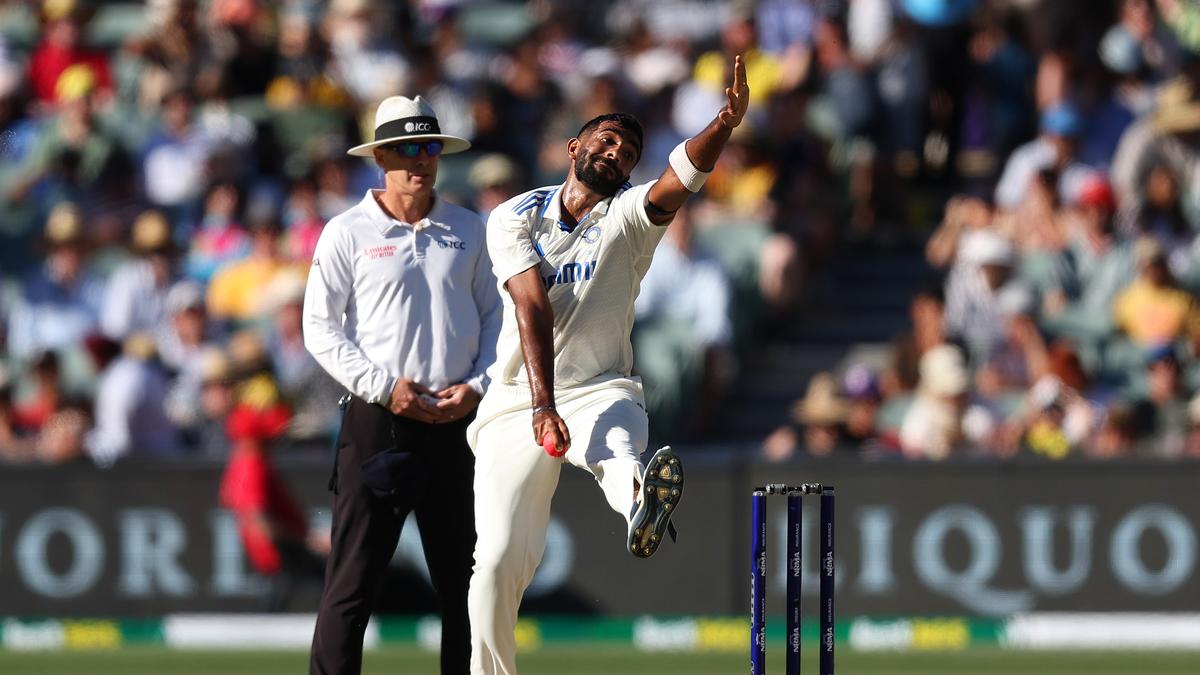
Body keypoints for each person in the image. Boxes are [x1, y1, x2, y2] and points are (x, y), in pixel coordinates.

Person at [466, 56, 750, 674]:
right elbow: (530, 306)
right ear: (574, 147)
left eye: (629, 151)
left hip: (599, 386)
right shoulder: (514, 215)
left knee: (617, 449)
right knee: (493, 564)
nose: (619, 152)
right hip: (517, 399)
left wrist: (723, 124)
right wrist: (542, 407)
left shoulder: (628, 219)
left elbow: (682, 175)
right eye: (608, 139)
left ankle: (640, 502)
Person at [303, 95, 501, 675]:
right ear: (381, 157)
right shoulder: (346, 232)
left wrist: (480, 385)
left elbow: (499, 318)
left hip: (457, 421)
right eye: (408, 149)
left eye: (430, 147)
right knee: (351, 587)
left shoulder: (472, 230)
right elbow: (320, 327)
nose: (421, 160)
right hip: (379, 422)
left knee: (467, 589)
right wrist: (384, 387)